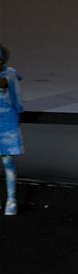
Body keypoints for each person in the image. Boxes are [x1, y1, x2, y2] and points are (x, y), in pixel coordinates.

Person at [0, 43, 24, 215]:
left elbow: (16, 97)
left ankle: (11, 200)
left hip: (7, 123)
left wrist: (17, 116)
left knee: (8, 162)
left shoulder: (10, 73)